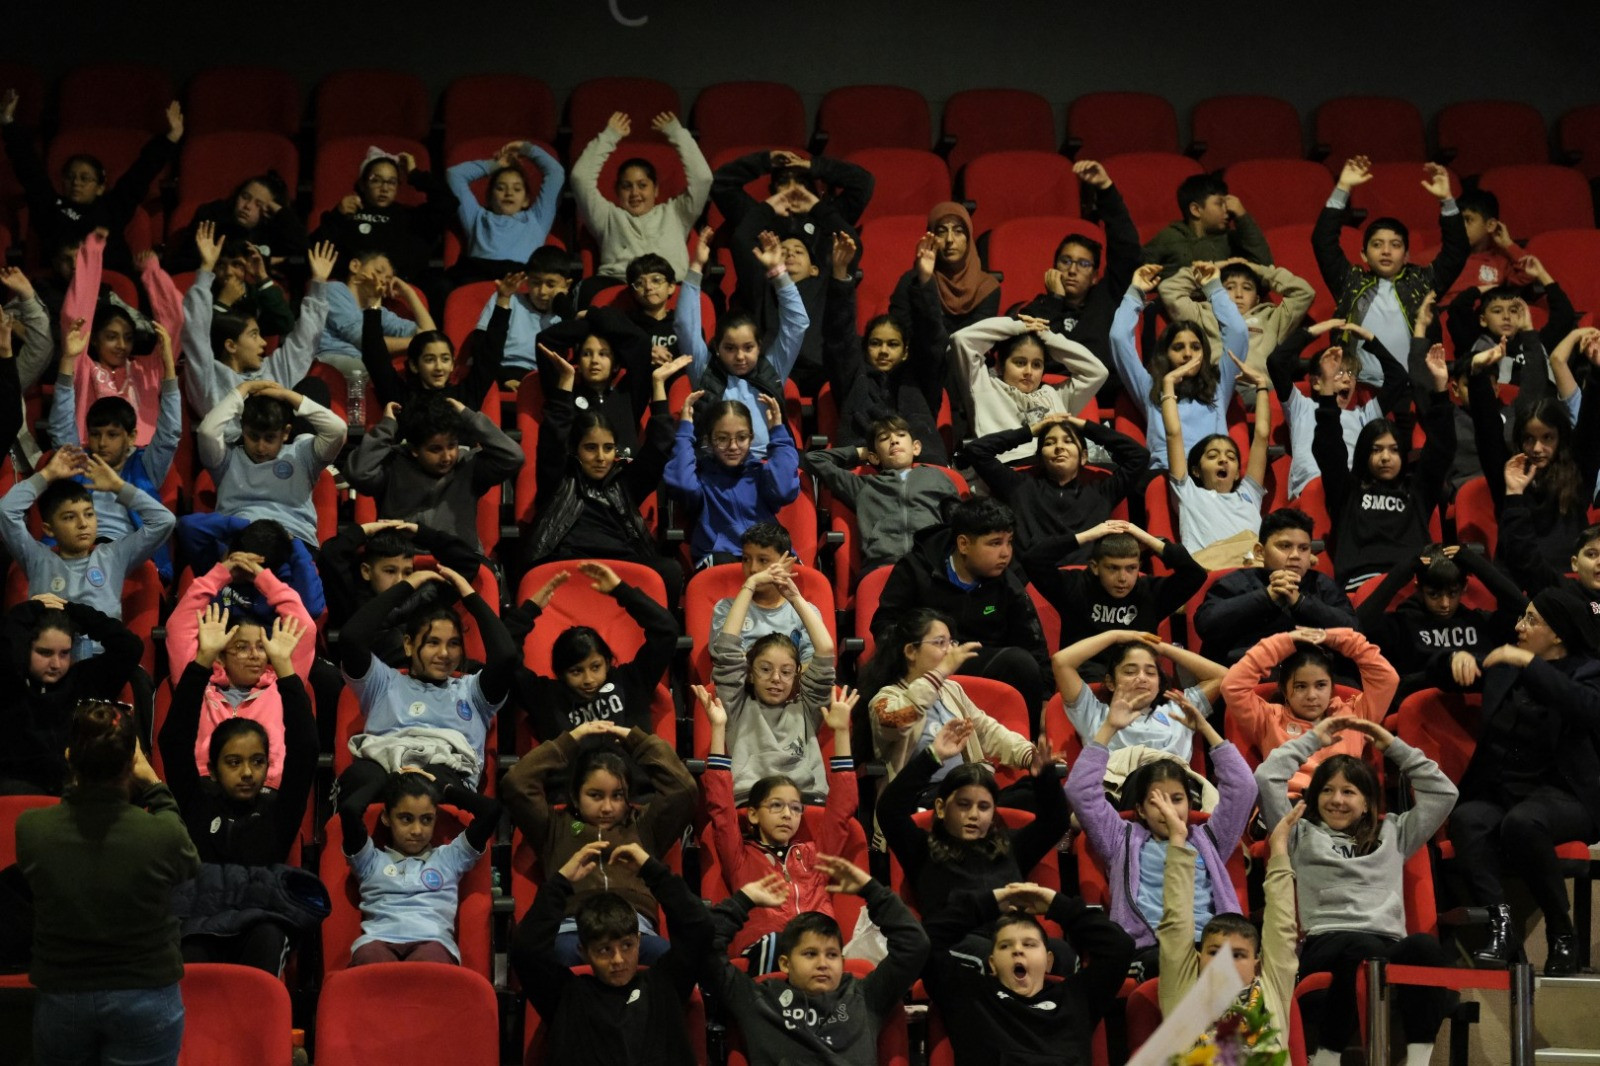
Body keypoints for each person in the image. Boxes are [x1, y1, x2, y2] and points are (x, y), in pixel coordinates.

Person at [1257, 716, 1458, 1066]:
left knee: (1425, 947)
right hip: (1327, 941)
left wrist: (1392, 745)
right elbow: (1267, 777)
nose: (1336, 800)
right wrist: (1312, 740)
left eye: (1348, 791)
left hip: (1387, 942)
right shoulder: (1299, 834)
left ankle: (1419, 1060)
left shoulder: (1395, 833)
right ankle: (1328, 1055)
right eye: (1327, 790)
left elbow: (1445, 793)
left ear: (1367, 802)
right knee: (1362, 948)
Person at [1428, 585, 1600, 975]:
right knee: (1468, 819)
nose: (1520, 626)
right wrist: (1453, 658)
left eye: (1531, 620)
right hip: (1503, 791)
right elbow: (1434, 671)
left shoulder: (1589, 671)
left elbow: (1586, 707)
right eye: (1523, 616)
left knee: (1523, 823)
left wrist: (1529, 664)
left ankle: (1561, 930)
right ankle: (1500, 924)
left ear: (1558, 635)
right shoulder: (1505, 665)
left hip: (1566, 795)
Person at [15, 701, 200, 1064]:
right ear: (131, 763)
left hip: (63, 998)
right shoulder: (160, 834)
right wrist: (154, 784)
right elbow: (187, 863)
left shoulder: (31, 829)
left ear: (70, 756)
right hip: (145, 995)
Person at [159, 605, 318, 973]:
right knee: (188, 954)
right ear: (214, 769)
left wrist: (284, 667)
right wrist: (203, 660)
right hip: (200, 919)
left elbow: (306, 748)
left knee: (268, 937)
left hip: (260, 919)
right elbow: (174, 740)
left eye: (257, 762)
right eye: (234, 762)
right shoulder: (197, 799)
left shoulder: (279, 808)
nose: (247, 772)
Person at [1065, 689, 1254, 978]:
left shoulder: (1209, 839)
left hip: (1209, 947)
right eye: (1156, 801)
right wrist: (1109, 728)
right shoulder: (1121, 839)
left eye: (1177, 799)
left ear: (1190, 804)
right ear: (1140, 809)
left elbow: (1243, 787)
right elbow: (1080, 791)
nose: (1168, 809)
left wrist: (1204, 728)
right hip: (1151, 948)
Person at [501, 719, 697, 966]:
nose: (607, 807)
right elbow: (516, 782)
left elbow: (684, 789)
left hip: (635, 929)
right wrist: (571, 740)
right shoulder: (554, 827)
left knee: (673, 963)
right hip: (574, 929)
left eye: (618, 796)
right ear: (575, 796)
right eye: (595, 796)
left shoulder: (644, 826)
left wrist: (636, 741)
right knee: (551, 961)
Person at [697, 682, 859, 971]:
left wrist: (841, 733)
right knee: (775, 943)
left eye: (796, 808)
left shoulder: (815, 855)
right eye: (776, 806)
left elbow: (842, 808)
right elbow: (720, 806)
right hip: (765, 949)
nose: (788, 815)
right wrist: (718, 728)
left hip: (817, 947)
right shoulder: (741, 857)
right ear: (753, 814)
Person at [707, 856, 929, 1066]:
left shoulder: (866, 996)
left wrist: (872, 890)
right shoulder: (758, 1000)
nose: (823, 963)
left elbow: (915, 945)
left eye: (832, 955)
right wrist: (743, 900)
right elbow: (705, 952)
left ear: (842, 961)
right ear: (785, 963)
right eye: (810, 954)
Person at [510, 840, 711, 1066]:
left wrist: (652, 870)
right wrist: (560, 882)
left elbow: (699, 928)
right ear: (584, 952)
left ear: (639, 941)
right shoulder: (566, 996)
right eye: (605, 950)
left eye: (627, 946)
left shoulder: (664, 985)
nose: (618, 959)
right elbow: (526, 950)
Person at [333, 567, 512, 819]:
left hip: (443, 783)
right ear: (408, 645)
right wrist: (407, 586)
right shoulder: (382, 683)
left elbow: (506, 657)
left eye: (453, 644)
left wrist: (468, 594)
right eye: (432, 642)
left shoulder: (473, 692)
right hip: (383, 774)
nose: (444, 654)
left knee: (433, 778)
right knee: (362, 775)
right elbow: (351, 638)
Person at [871, 497, 1050, 723]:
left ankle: (1027, 738)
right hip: (924, 663)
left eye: (1009, 542)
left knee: (1022, 664)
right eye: (995, 543)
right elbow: (885, 626)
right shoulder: (916, 569)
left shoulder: (1008, 583)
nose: (1006, 553)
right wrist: (921, 655)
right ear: (964, 544)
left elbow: (1034, 644)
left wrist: (1045, 703)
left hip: (980, 660)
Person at [922, 880, 1134, 1066]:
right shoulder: (972, 996)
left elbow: (1119, 947)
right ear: (992, 963)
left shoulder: (1077, 998)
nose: (1018, 950)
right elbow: (925, 944)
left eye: (1029, 944)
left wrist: (1057, 905)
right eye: (1005, 946)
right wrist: (988, 904)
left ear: (1048, 961)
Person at [877, 718, 1067, 925]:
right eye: (963, 805)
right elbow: (889, 811)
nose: (974, 815)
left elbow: (1055, 822)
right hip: (953, 940)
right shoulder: (923, 850)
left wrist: (1045, 778)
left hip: (1009, 938)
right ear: (940, 808)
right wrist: (932, 757)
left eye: (984, 807)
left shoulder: (1010, 846)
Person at [519, 358, 681, 600]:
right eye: (590, 448)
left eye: (608, 448)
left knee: (670, 571)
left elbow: (659, 446)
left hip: (621, 565)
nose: (601, 457)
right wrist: (565, 381)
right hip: (568, 562)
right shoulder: (558, 479)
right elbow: (553, 438)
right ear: (575, 449)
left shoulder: (625, 483)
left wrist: (657, 384)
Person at [1155, 804, 1303, 1056]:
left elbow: (1283, 926)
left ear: (1257, 964)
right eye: (1214, 952)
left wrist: (1278, 847)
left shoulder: (1272, 987)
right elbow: (1175, 922)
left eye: (1238, 955)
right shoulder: (1183, 989)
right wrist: (1178, 841)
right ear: (1198, 958)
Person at [163, 550, 318, 786]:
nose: (255, 655)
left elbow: (305, 628)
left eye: (261, 647)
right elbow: (178, 626)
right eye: (242, 647)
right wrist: (222, 573)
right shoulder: (198, 686)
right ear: (221, 657)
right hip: (206, 787)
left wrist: (262, 577)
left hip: (267, 790)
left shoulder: (281, 686)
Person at [1312, 155, 1469, 384]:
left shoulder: (1423, 282)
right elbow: (1323, 241)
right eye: (1377, 245)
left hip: (1413, 387)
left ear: (1406, 256)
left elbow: (1457, 250)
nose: (1386, 251)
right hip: (1357, 386)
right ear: (1364, 254)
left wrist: (1447, 200)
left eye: (1395, 245)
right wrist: (1342, 188)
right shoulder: (1350, 281)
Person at [49, 316, 179, 580]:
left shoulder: (144, 466)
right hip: (76, 552)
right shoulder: (78, 463)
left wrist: (168, 365)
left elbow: (170, 432)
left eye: (112, 435)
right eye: (95, 435)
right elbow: (60, 426)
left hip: (127, 557)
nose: (101, 443)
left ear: (131, 437)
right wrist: (67, 360)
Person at [1314, 343, 1454, 590]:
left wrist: (1441, 388)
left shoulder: (1417, 491)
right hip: (1363, 585)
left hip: (1413, 585)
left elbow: (1441, 449)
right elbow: (1329, 449)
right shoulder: (1348, 492)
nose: (1386, 457)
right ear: (1364, 454)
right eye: (1377, 449)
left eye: (1394, 450)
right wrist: (1326, 390)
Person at [0, 90, 183, 274]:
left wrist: (171, 138)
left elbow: (141, 173)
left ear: (100, 187)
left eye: (85, 178)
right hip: (59, 284)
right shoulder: (50, 206)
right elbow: (29, 169)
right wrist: (7, 122)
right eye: (70, 177)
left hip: (108, 282)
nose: (76, 183)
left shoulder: (113, 207)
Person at [1470, 331, 1600, 578]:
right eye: (1529, 439)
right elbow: (1487, 433)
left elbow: (1591, 427)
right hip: (1516, 587)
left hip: (1569, 584)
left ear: (1561, 438)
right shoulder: (1509, 474)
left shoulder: (1578, 471)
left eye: (1547, 438)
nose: (1537, 448)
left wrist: (1596, 372)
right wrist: (1477, 376)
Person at [0, 445, 175, 627]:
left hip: (102, 645)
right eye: (69, 517)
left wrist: (119, 487)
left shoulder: (113, 556)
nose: (83, 524)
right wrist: (46, 475)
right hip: (50, 643)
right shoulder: (37, 558)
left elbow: (164, 521)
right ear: (49, 529)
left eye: (89, 514)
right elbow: (5, 512)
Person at [341, 769, 499, 966]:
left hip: (433, 943)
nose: (417, 830)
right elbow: (350, 810)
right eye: (406, 819)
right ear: (386, 818)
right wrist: (387, 780)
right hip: (378, 941)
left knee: (428, 963)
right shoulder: (369, 860)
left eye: (426, 819)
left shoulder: (449, 858)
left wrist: (443, 789)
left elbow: (491, 811)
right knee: (371, 958)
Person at [863, 609, 1038, 785]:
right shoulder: (885, 698)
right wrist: (941, 672)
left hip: (961, 790)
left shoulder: (951, 690)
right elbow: (898, 722)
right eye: (940, 643)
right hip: (917, 795)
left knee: (1032, 792)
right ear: (911, 651)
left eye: (951, 642)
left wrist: (1030, 756)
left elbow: (987, 730)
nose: (950, 651)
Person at [510, 561, 678, 743]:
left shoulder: (632, 682)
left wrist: (621, 591)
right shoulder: (547, 698)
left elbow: (666, 631)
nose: (588, 679)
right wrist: (529, 610)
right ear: (561, 673)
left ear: (607, 662)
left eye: (596, 667)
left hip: (631, 762)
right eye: (576, 671)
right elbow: (505, 658)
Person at [679, 227, 808, 460]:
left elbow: (797, 323)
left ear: (759, 346)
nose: (740, 356)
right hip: (714, 467)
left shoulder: (773, 368)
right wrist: (696, 266)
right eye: (730, 348)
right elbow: (685, 325)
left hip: (764, 464)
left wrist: (779, 272)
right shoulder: (704, 370)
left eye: (748, 348)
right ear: (717, 348)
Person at [1222, 627, 1399, 795]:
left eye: (1321, 685)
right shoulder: (1268, 718)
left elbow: (1387, 678)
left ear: (1332, 687)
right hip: (1289, 806)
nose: (1312, 696)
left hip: (1343, 806)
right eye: (1300, 686)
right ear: (1284, 690)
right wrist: (1285, 641)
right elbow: (1232, 686)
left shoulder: (1354, 716)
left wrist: (1335, 638)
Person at [713, 559, 836, 802]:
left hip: (805, 801)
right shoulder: (735, 706)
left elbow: (825, 650)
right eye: (765, 669)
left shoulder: (808, 708)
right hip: (751, 801)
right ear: (750, 672)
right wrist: (750, 585)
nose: (776, 679)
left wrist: (795, 598)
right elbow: (726, 649)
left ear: (797, 674)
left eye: (786, 672)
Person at [822, 232, 951, 464]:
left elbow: (932, 339)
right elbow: (839, 336)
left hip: (922, 470)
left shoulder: (920, 379)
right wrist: (840, 276)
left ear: (906, 351)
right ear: (864, 348)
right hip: (864, 469)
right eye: (875, 343)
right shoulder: (853, 377)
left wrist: (925, 280)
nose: (883, 350)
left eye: (893, 344)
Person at [1013, 161, 1142, 390]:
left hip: (1101, 394)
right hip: (1049, 398)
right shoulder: (1036, 310)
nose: (1072, 270)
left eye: (1083, 264)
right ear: (1053, 268)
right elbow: (1035, 359)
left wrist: (1106, 189)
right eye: (1066, 261)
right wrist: (1055, 300)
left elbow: (1127, 249)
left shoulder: (1107, 299)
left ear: (1094, 276)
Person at [1111, 262, 1250, 473]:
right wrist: (1135, 293)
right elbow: (1119, 338)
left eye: (1195, 347)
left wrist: (1214, 289)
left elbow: (1238, 333)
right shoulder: (1150, 387)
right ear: (1165, 354)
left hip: (1212, 476)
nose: (1188, 354)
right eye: (1178, 347)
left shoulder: (1219, 386)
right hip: (1166, 475)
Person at [181, 227, 337, 414]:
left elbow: (303, 341)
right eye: (254, 335)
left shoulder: (273, 371)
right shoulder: (209, 380)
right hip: (227, 434)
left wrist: (318, 281)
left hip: (281, 433)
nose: (264, 343)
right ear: (231, 345)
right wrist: (206, 270)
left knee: (314, 387)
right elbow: (196, 333)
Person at [1024, 523, 1206, 680]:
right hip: (1086, 684)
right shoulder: (1075, 587)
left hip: (1138, 681)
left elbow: (1195, 574)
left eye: (1131, 568)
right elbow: (1033, 560)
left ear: (1139, 566)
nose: (1122, 578)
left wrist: (1149, 539)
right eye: (1113, 568)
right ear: (1095, 567)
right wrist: (1087, 535)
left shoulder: (1151, 593)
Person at [0, 596, 142, 795]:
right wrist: (29, 609)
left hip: (77, 791)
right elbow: (6, 647)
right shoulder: (10, 683)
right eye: (44, 653)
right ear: (25, 648)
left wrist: (73, 611)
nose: (56, 664)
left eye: (64, 653)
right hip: (17, 791)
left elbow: (129, 647)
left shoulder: (84, 680)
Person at [347, 394, 523, 554]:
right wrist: (386, 426)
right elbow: (359, 474)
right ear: (415, 449)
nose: (447, 457)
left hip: (458, 561)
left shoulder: (469, 465)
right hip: (402, 562)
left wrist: (467, 416)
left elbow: (513, 457)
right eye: (435, 449)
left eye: (452, 446)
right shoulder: (393, 464)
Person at [57, 235, 182, 449]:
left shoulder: (147, 370)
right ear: (94, 340)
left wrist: (151, 271)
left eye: (128, 338)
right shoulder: (83, 369)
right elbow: (75, 319)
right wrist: (91, 257)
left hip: (142, 457)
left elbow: (175, 320)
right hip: (95, 455)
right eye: (111, 337)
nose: (122, 345)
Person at [1266, 316, 1410, 501]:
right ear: (1316, 382)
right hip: (1311, 491)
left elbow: (1399, 378)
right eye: (1339, 372)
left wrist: (1370, 338)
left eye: (1351, 373)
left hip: (1353, 494)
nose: (1347, 379)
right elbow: (1276, 361)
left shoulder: (1364, 416)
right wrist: (1318, 329)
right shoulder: (1301, 407)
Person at [968, 412, 1150, 559]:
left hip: (1083, 582)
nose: (1059, 447)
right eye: (1049, 443)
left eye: (1068, 441)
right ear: (1040, 458)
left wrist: (1083, 426)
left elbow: (1139, 456)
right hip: (1031, 581)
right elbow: (976, 451)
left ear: (1084, 457)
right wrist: (1032, 430)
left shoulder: (1102, 491)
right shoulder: (1020, 486)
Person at [1192, 508, 1358, 665]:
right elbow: (1206, 625)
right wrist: (1267, 596)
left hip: (1315, 677)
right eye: (1285, 546)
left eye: (1303, 548)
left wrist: (1301, 602)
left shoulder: (1322, 584)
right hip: (1246, 676)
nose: (1295, 555)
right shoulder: (1235, 582)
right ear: (1260, 552)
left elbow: (1355, 632)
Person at [1356, 545, 1525, 698]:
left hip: (1480, 711)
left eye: (1452, 594)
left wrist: (1476, 564)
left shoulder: (1480, 622)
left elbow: (1528, 614)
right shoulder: (1402, 625)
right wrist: (1401, 572)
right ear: (1419, 589)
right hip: (1422, 711)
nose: (1445, 604)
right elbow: (1355, 628)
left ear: (1464, 587)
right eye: (1434, 594)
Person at [802, 416, 960, 574]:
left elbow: (959, 521)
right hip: (883, 568)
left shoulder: (936, 477)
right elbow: (814, 459)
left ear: (916, 447)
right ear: (874, 457)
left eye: (901, 435)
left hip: (932, 566)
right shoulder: (864, 486)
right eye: (884, 438)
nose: (894, 441)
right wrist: (860, 452)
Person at [318, 519, 484, 667]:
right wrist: (365, 531)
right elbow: (331, 554)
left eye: (407, 572)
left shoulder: (426, 597)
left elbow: (468, 563)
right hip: (377, 680)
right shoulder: (352, 598)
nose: (400, 580)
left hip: (426, 676)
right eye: (390, 571)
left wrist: (421, 533)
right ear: (366, 571)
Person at [949, 311, 1107, 466]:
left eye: (1037, 365)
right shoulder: (983, 386)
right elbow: (961, 339)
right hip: (1007, 469)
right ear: (1000, 366)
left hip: (1051, 469)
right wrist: (1018, 327)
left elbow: (1097, 372)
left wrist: (1045, 336)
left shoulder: (1057, 395)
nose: (1029, 372)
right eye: (1020, 363)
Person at [571, 111, 713, 283]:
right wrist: (609, 137)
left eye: (642, 185)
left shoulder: (677, 213)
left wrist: (677, 134)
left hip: (671, 290)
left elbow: (703, 179)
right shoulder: (606, 217)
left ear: (656, 189)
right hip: (619, 289)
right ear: (617, 191)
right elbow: (580, 178)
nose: (635, 193)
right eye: (627, 186)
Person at [1160, 349, 1273, 562]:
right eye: (1212, 456)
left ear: (1237, 473)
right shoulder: (1187, 493)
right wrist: (1168, 383)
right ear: (1196, 470)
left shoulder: (1249, 494)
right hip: (1212, 572)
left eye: (1231, 457)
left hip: (1253, 570)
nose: (1223, 460)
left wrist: (1261, 384)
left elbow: (1261, 435)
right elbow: (1173, 433)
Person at [666, 393, 799, 569]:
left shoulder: (761, 473)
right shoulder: (701, 478)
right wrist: (684, 432)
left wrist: (778, 433)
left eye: (742, 437)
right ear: (709, 441)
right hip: (720, 557)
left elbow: (784, 490)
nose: (733, 447)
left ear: (751, 438)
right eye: (722, 438)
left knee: (795, 569)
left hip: (766, 556)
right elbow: (682, 484)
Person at [1052, 624, 1228, 756]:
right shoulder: (1094, 714)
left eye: (1150, 672)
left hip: (1176, 788)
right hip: (1117, 791)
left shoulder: (1180, 710)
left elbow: (1222, 676)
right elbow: (1061, 662)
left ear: (1159, 683)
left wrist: (1162, 648)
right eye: (1130, 672)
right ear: (1111, 683)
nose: (1142, 678)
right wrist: (1116, 635)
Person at [1158, 258, 1313, 395]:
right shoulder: (1203, 313)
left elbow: (1304, 293)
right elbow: (1169, 290)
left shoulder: (1272, 318)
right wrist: (1214, 269)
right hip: (1216, 389)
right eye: (1229, 287)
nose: (1238, 294)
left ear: (1257, 299)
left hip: (1260, 389)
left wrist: (1258, 269)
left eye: (1247, 288)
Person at [310, 146, 457, 285]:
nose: (384, 188)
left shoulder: (408, 216)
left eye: (391, 182)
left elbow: (449, 203)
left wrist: (415, 174)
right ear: (362, 184)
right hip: (354, 289)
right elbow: (313, 253)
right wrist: (337, 215)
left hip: (400, 290)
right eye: (376, 180)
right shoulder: (346, 214)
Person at [532, 304, 656, 455]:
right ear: (578, 363)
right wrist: (593, 326)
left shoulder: (630, 394)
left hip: (624, 469)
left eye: (603, 354)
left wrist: (593, 315)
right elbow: (545, 340)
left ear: (616, 365)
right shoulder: (565, 394)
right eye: (586, 354)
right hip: (578, 469)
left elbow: (641, 342)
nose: (594, 361)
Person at [445, 139, 564, 282]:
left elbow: (555, 172)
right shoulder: (477, 217)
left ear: (526, 200)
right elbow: (454, 175)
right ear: (489, 198)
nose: (509, 193)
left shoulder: (537, 219)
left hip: (519, 276)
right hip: (478, 275)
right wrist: (495, 165)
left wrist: (526, 149)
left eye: (517, 189)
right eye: (500, 188)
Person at [709, 525, 815, 661]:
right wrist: (750, 584)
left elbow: (816, 662)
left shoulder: (805, 612)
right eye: (746, 559)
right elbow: (724, 660)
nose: (753, 569)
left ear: (787, 564)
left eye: (763, 560)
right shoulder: (726, 608)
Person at [166, 171, 307, 273]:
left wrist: (281, 213)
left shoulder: (273, 230)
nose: (247, 206)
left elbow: (306, 256)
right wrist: (268, 261)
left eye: (259, 204)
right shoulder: (213, 216)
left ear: (269, 212)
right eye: (245, 197)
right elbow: (184, 261)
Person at [474, 245, 581, 377]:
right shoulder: (506, 299)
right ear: (527, 280)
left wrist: (564, 307)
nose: (542, 291)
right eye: (536, 283)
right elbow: (481, 346)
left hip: (543, 378)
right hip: (502, 372)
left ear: (567, 285)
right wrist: (504, 377)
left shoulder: (566, 315)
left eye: (551, 285)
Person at [891, 202, 998, 334]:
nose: (949, 240)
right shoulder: (911, 281)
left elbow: (974, 341)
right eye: (941, 232)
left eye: (958, 231)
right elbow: (898, 335)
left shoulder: (986, 288)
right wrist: (925, 281)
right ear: (931, 236)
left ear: (968, 238)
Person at [1142, 175, 1273, 275]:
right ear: (1196, 210)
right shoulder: (1170, 237)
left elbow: (1264, 270)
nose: (1228, 209)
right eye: (1220, 203)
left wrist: (1242, 217)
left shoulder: (1230, 239)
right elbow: (1136, 272)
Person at [1440, 187, 1535, 303]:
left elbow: (1530, 272)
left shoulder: (1500, 261)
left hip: (1486, 312)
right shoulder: (1438, 257)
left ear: (1490, 225)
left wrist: (1508, 244)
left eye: (1468, 220)